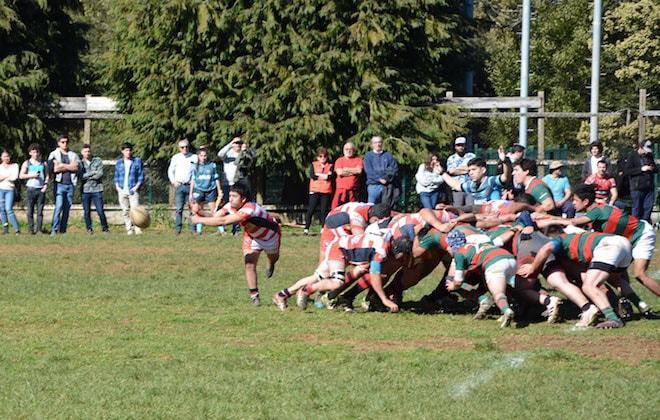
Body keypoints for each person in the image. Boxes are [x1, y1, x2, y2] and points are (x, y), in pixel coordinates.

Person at [541, 183, 659, 303]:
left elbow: (573, 221)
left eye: (576, 200)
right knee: (614, 275)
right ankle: (634, 303)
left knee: (640, 274)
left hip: (641, 234)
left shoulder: (597, 211)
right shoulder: (596, 211)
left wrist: (544, 218)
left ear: (586, 201)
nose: (573, 203)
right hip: (627, 239)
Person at [518, 230, 632, 329]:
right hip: (623, 244)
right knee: (601, 279)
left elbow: (546, 246)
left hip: (607, 247)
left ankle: (605, 314)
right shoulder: (573, 237)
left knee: (589, 285)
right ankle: (637, 305)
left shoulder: (559, 241)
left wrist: (533, 267)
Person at [191, 183, 280, 307]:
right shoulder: (230, 206)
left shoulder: (250, 209)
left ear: (243, 199)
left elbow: (224, 221)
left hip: (270, 236)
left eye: (234, 196)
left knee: (274, 257)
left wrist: (199, 220)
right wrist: (199, 211)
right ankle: (254, 296)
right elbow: (214, 216)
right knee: (249, 263)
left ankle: (271, 262)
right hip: (251, 235)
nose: (230, 199)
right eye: (230, 195)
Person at [441, 148, 510, 205]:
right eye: (469, 170)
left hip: (495, 218)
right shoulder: (472, 185)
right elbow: (457, 186)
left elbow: (506, 177)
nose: (470, 173)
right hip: (480, 217)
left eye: (473, 169)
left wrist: (505, 161)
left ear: (483, 170)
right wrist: (442, 173)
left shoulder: (491, 181)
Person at [217, 136, 256, 234]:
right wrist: (231, 143)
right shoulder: (228, 155)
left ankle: (237, 228)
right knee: (227, 206)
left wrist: (245, 150)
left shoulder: (245, 155)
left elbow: (253, 158)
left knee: (239, 207)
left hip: (240, 184)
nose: (237, 145)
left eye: (239, 143)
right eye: (236, 143)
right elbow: (220, 154)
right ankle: (222, 228)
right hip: (228, 184)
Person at [48, 134, 79, 235]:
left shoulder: (73, 155)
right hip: (59, 184)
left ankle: (63, 230)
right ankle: (54, 229)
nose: (65, 144)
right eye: (62, 142)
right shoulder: (54, 154)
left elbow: (76, 167)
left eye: (66, 142)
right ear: (58, 143)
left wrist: (62, 165)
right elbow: (55, 169)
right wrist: (70, 166)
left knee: (67, 208)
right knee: (58, 207)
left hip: (70, 184)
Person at [168, 139, 198, 235]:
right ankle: (178, 229)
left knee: (192, 209)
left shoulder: (194, 157)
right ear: (179, 148)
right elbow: (170, 171)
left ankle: (193, 230)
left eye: (186, 147)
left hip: (190, 186)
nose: (185, 149)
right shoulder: (175, 158)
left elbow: (197, 171)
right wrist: (174, 182)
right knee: (179, 209)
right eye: (182, 147)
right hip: (179, 186)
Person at [114, 142, 145, 235]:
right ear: (122, 151)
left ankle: (137, 228)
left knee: (135, 210)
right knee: (125, 211)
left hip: (133, 190)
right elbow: (116, 175)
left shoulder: (137, 161)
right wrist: (117, 187)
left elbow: (141, 175)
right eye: (126, 150)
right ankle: (129, 228)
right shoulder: (119, 162)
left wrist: (136, 187)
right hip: (122, 190)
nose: (128, 152)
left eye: (130, 150)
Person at [189, 146, 221, 235]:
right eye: (202, 156)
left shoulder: (212, 165)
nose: (203, 158)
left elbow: (216, 178)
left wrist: (219, 191)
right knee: (199, 210)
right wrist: (191, 193)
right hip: (199, 190)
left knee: (214, 210)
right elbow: (193, 179)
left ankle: (221, 230)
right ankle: (199, 231)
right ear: (198, 156)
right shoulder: (195, 166)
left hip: (210, 190)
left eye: (205, 156)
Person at [19, 143, 49, 234]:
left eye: (37, 152)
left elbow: (47, 175)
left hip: (41, 190)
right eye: (34, 152)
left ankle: (39, 229)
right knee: (30, 211)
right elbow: (21, 175)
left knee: (40, 211)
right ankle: (30, 230)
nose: (36, 154)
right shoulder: (26, 163)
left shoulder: (44, 163)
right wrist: (32, 175)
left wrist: (45, 186)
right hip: (30, 189)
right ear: (30, 153)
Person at [303, 147, 334, 236]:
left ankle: (323, 229)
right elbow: (313, 175)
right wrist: (324, 176)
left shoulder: (330, 166)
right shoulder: (314, 164)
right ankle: (306, 229)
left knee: (324, 211)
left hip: (325, 191)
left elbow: (331, 177)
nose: (322, 158)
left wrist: (320, 176)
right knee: (311, 210)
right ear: (318, 157)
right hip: (315, 190)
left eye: (324, 156)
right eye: (320, 156)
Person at [79, 144, 109, 235]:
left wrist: (88, 175)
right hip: (85, 190)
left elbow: (99, 174)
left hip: (97, 189)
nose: (87, 153)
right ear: (81, 152)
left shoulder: (97, 160)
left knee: (100, 210)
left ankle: (105, 228)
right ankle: (89, 229)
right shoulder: (80, 163)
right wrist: (92, 172)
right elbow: (81, 176)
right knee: (87, 211)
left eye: (88, 151)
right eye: (85, 152)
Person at [625, 140, 657, 223]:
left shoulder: (649, 156)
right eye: (645, 150)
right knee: (637, 208)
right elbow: (627, 171)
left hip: (649, 186)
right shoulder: (632, 156)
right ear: (640, 148)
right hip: (637, 187)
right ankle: (635, 225)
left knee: (648, 207)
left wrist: (652, 168)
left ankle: (646, 224)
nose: (646, 152)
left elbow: (656, 169)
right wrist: (641, 169)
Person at [363, 135, 398, 206]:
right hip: (373, 186)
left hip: (387, 186)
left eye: (379, 142)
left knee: (386, 208)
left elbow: (394, 168)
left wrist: (386, 179)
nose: (378, 144)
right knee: (371, 208)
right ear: (372, 144)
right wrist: (379, 179)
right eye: (375, 142)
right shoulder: (368, 156)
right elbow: (369, 170)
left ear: (382, 143)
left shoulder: (388, 155)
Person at [331, 142, 362, 209]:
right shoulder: (339, 160)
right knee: (337, 209)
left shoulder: (358, 160)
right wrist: (354, 171)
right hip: (341, 191)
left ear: (354, 150)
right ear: (343, 150)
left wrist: (346, 169)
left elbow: (359, 171)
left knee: (354, 210)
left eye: (351, 149)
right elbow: (340, 173)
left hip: (354, 191)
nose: (349, 151)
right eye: (347, 149)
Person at [446, 137, 476, 206]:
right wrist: (467, 170)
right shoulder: (451, 158)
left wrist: (458, 169)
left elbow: (474, 168)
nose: (460, 147)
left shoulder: (471, 156)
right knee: (457, 209)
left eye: (462, 145)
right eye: (458, 145)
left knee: (471, 208)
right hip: (457, 187)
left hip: (470, 187)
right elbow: (451, 171)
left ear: (465, 145)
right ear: (455, 147)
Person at [0, 149, 21, 234]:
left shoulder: (14, 166)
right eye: (4, 156)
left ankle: (17, 229)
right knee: (2, 209)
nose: (6, 158)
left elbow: (14, 177)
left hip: (10, 189)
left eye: (7, 156)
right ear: (1, 157)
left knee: (9, 209)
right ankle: (5, 229)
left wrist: (3, 177)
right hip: (1, 189)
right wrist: (8, 175)